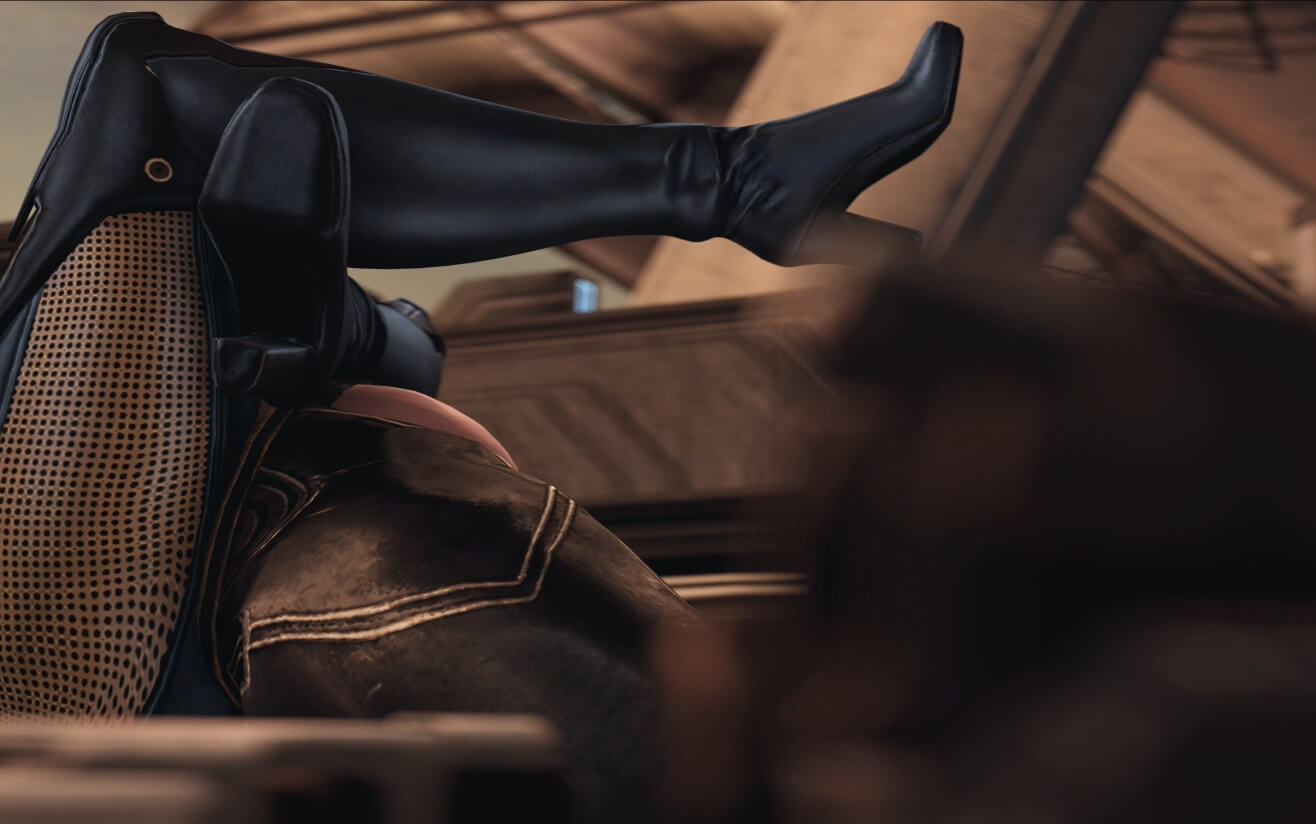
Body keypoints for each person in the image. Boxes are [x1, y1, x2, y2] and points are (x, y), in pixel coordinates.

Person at [0, 11, 962, 822]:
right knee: (145, 88)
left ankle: (318, 318)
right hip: (49, 625)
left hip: (41, 485)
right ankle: (737, 184)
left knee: (162, 111)